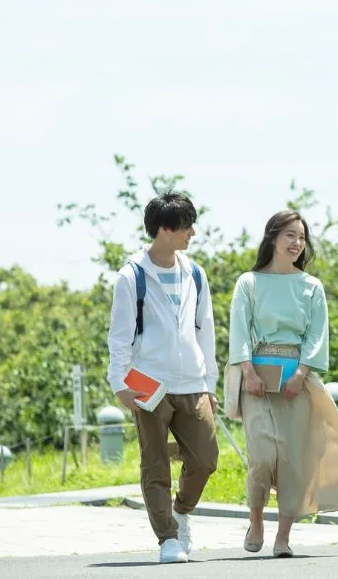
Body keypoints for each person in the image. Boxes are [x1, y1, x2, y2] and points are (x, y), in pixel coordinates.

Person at [228, 210, 338, 558]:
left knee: (292, 459)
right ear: (272, 237)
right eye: (290, 235)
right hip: (257, 377)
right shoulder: (249, 282)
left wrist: (301, 374)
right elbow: (239, 329)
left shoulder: (311, 286)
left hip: (299, 378)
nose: (297, 243)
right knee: (263, 455)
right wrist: (248, 371)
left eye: (301, 237)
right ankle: (256, 519)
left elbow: (317, 335)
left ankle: (283, 536)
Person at [106, 192, 218, 564]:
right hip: (148, 383)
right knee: (154, 463)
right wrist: (119, 383)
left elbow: (206, 331)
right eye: (187, 226)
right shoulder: (131, 276)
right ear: (166, 229)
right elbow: (120, 335)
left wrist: (211, 384)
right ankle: (167, 539)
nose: (193, 233)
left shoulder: (195, 274)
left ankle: (181, 512)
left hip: (192, 382)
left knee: (205, 459)